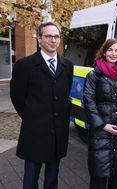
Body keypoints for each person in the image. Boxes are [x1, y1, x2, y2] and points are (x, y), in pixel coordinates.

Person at [10, 22, 73, 189]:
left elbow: (64, 94)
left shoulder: (67, 65)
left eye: (56, 36)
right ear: (39, 39)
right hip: (35, 132)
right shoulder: (25, 65)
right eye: (48, 36)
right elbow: (17, 98)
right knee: (31, 178)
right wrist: (33, 116)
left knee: (52, 177)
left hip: (58, 132)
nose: (53, 40)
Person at [83, 38, 117, 189]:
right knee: (98, 178)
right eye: (110, 50)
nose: (113, 53)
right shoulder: (94, 75)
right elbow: (89, 103)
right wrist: (103, 125)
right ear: (104, 52)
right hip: (101, 135)